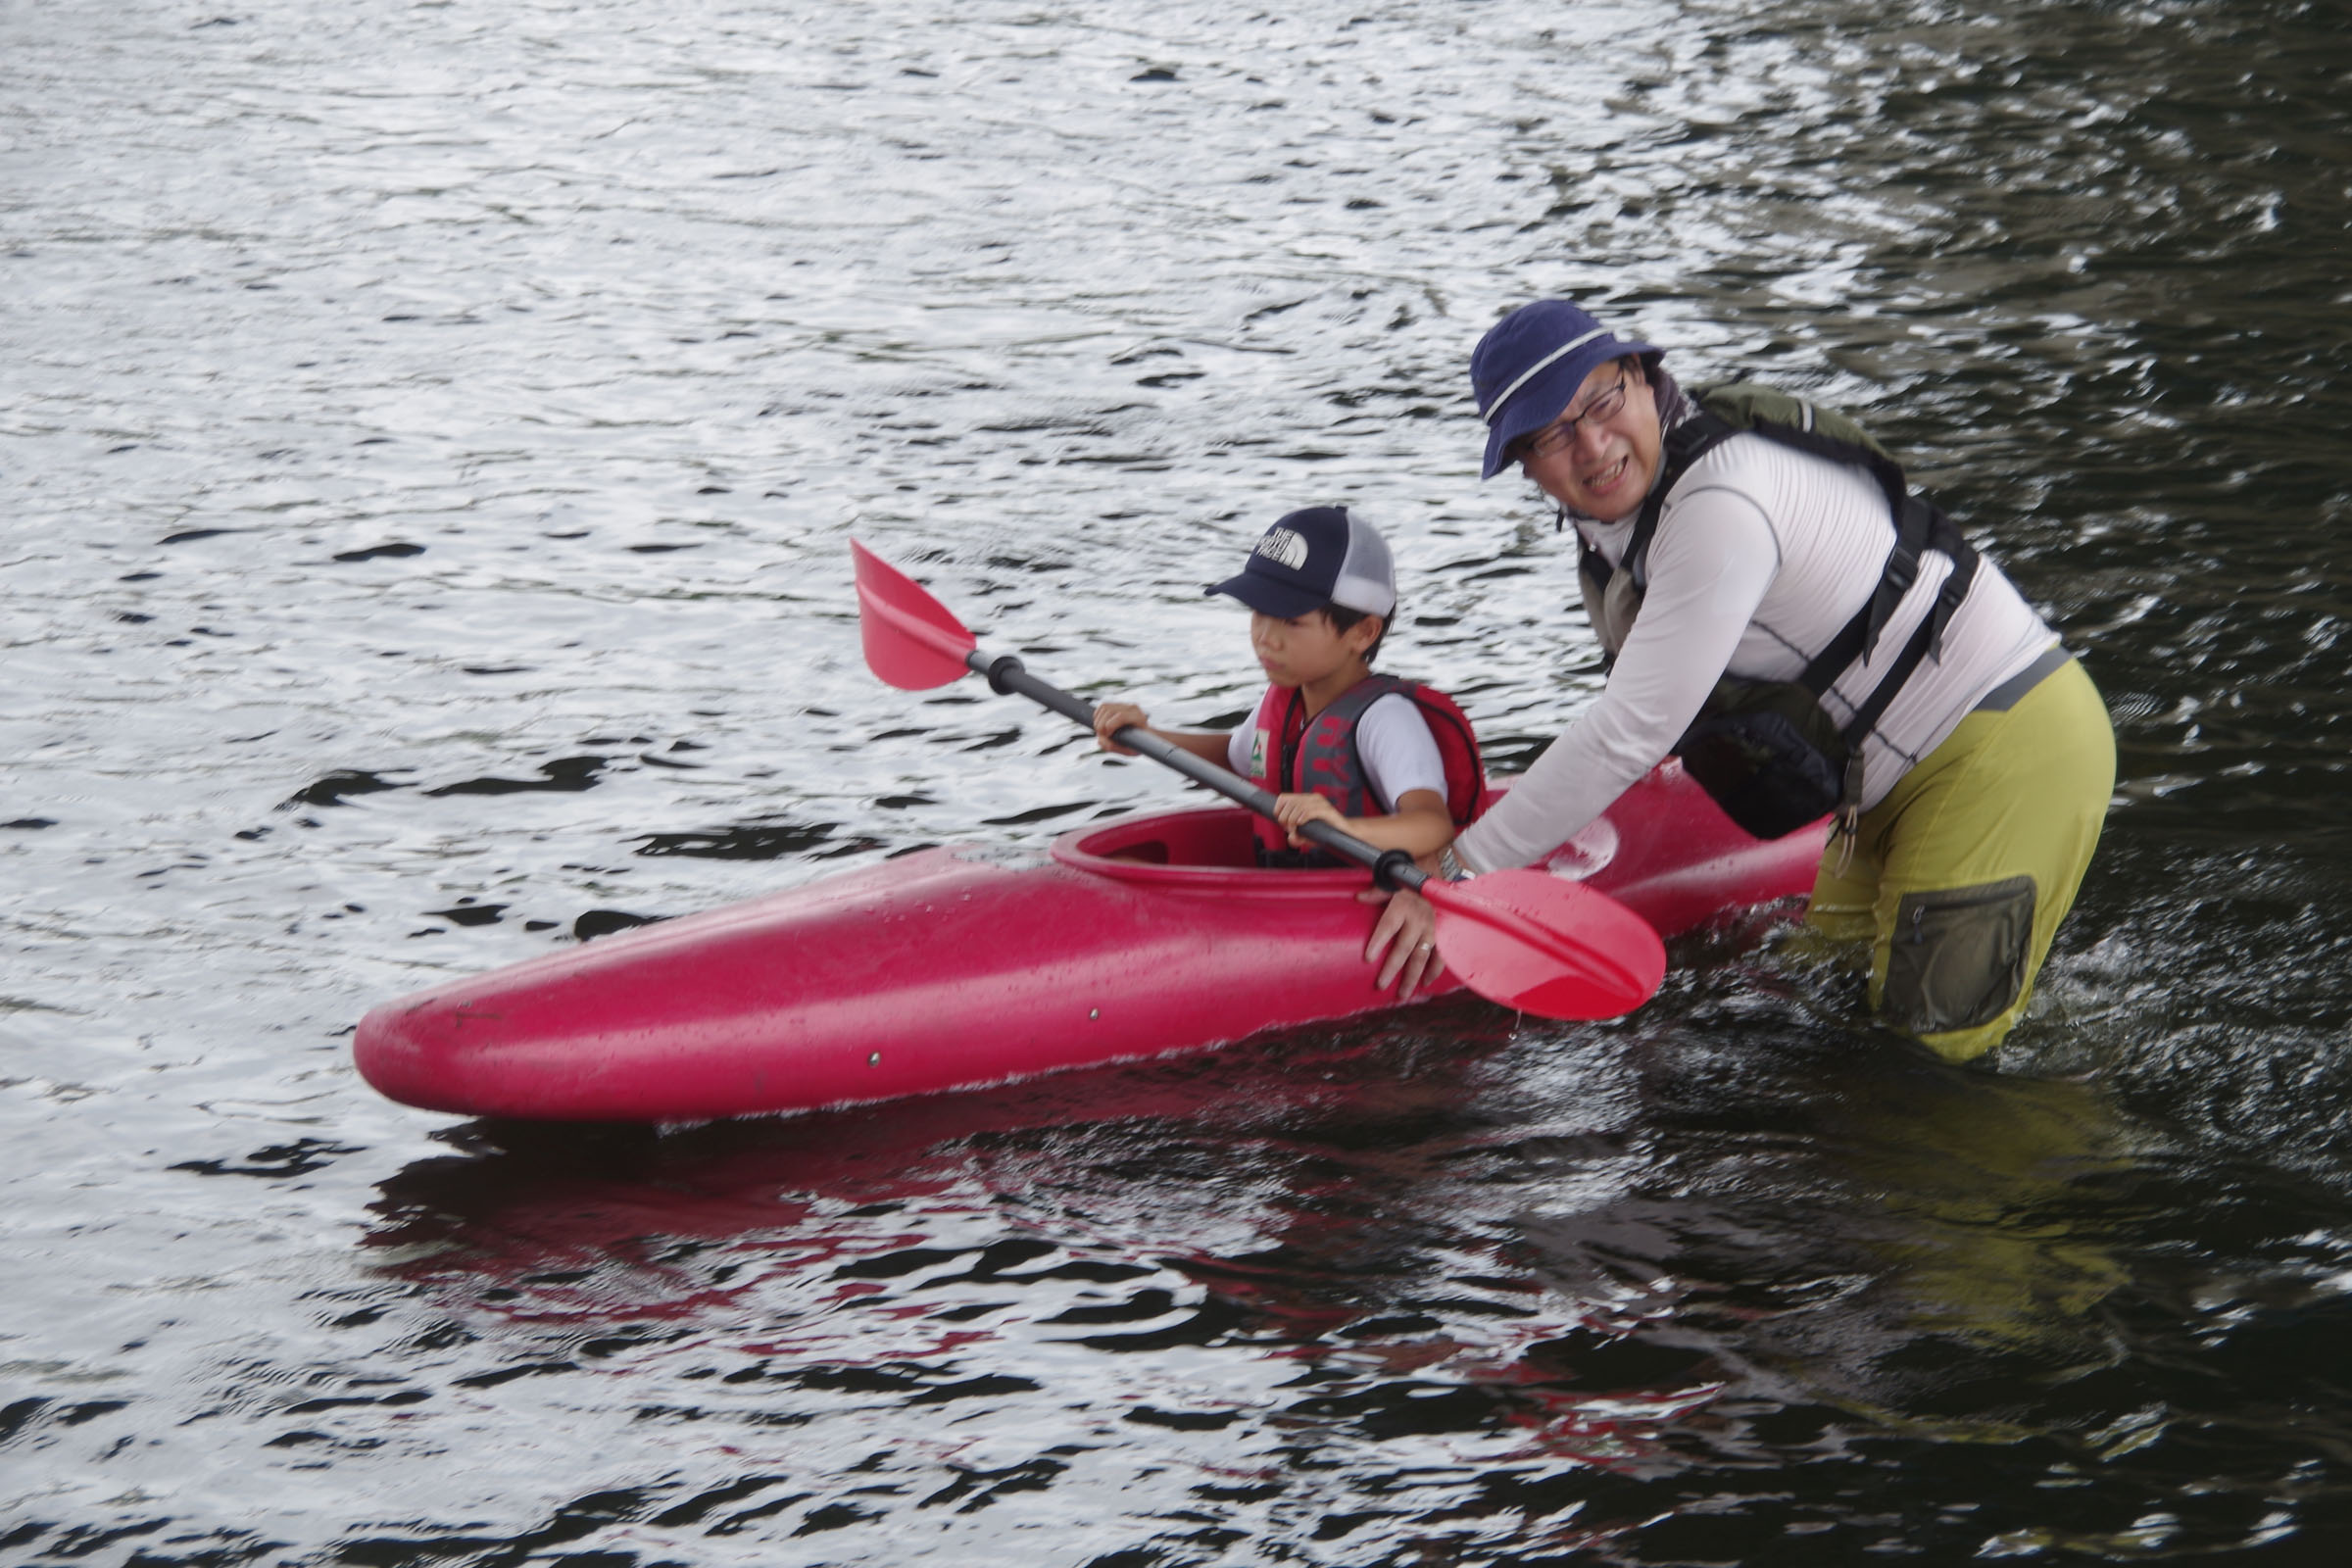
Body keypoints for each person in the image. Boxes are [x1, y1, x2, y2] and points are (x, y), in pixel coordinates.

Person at [1369, 299, 2114, 1061]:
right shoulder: (1619, 519)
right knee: (1825, 1004)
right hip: (1881, 786)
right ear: (1523, 465)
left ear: (1640, 376)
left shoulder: (1719, 500)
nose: (1592, 445)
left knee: (1924, 1068)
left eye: (1601, 401)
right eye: (1553, 435)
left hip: (2004, 749)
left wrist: (1458, 871)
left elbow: (1630, 728)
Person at [1092, 506, 1487, 877]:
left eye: (1290, 621)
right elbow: (1236, 762)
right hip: (1289, 891)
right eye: (1258, 613)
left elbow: (1431, 823)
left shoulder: (1386, 719)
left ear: (1363, 632)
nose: (1265, 637)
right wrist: (1145, 739)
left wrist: (1344, 827)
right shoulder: (1285, 702)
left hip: (1355, 901)